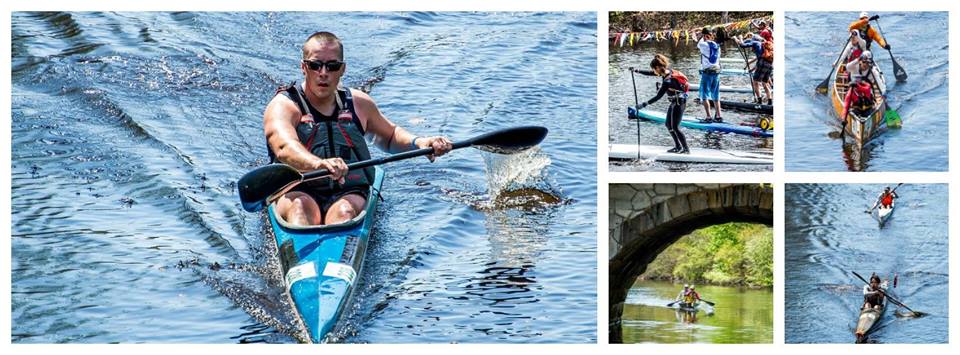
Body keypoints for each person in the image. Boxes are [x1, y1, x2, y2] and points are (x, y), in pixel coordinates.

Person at [263, 31, 453, 227]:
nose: (323, 73)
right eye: (315, 65)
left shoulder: (358, 103)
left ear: (342, 69)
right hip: (297, 189)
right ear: (304, 67)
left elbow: (390, 137)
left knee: (344, 213)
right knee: (300, 208)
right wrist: (318, 164)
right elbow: (284, 147)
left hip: (348, 190)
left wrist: (420, 142)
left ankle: (341, 248)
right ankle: (300, 254)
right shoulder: (283, 106)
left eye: (332, 66)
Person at [634, 54, 690, 154]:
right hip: (674, 101)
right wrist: (637, 70)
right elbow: (651, 73)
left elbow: (658, 97)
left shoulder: (667, 81)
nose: (654, 71)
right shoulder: (668, 71)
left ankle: (686, 150)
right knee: (668, 125)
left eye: (654, 69)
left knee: (675, 127)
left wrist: (643, 104)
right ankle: (678, 147)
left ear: (658, 68)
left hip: (679, 102)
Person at [734, 33, 773, 105]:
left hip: (762, 64)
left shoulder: (755, 42)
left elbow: (742, 45)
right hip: (770, 65)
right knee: (765, 83)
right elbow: (761, 59)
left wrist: (740, 38)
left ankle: (759, 101)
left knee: (755, 82)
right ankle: (770, 101)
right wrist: (752, 69)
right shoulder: (765, 44)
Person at [697, 27, 723, 123]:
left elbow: (699, 43)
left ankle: (708, 117)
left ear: (704, 35)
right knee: (716, 96)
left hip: (707, 73)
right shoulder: (717, 46)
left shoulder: (703, 44)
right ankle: (719, 116)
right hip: (716, 72)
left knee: (704, 96)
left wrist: (702, 36)